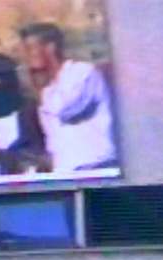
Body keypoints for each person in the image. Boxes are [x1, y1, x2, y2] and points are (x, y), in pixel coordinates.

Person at [20, 22, 118, 172]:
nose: (27, 56)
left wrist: (39, 89)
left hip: (95, 168)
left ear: (50, 47)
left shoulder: (82, 73)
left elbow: (64, 108)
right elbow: (53, 137)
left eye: (30, 49)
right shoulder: (49, 88)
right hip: (67, 173)